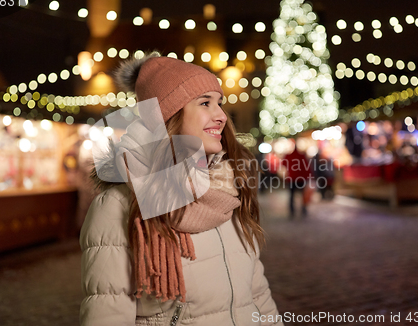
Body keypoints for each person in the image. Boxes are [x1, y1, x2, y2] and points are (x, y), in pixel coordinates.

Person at [80, 52, 283, 325]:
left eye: (220, 103)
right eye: (205, 103)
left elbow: (257, 295)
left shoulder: (227, 190)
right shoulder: (119, 204)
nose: (221, 116)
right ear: (169, 114)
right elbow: (107, 312)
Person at [282, 144, 311, 219]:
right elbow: (306, 167)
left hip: (292, 178)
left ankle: (292, 210)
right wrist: (308, 177)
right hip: (301, 178)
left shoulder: (288, 156)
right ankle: (303, 208)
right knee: (302, 194)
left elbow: (283, 164)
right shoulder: (302, 156)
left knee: (291, 195)